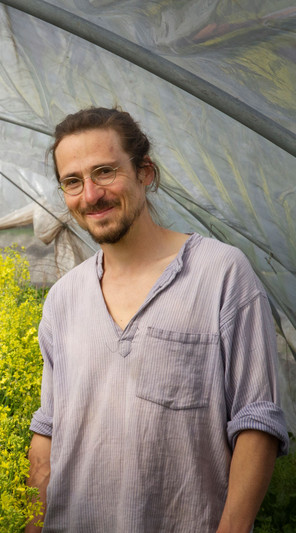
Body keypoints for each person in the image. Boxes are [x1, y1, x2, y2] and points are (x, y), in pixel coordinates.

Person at [26, 107, 289, 532]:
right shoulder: (63, 298)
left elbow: (257, 420)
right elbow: (48, 433)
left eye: (105, 172)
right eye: (72, 182)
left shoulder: (220, 273)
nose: (90, 195)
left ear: (145, 172)